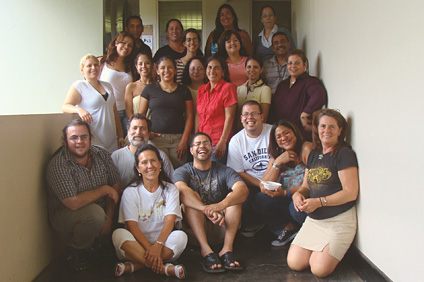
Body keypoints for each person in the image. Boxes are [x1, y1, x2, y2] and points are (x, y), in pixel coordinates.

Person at [287, 109, 359, 278]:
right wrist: (297, 195)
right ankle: (324, 253)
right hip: (315, 221)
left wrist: (319, 202)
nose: (326, 131)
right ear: (317, 129)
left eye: (332, 127)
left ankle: (329, 252)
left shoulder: (344, 154)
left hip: (339, 221)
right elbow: (305, 186)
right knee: (295, 263)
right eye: (323, 126)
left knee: (319, 269)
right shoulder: (313, 154)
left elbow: (351, 193)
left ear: (340, 131)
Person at [45, 120, 120, 270]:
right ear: (65, 141)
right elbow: (72, 203)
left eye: (84, 137)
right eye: (73, 138)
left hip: (102, 211)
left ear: (90, 139)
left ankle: (98, 243)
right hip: (66, 215)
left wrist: (109, 218)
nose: (79, 141)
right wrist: (103, 190)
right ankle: (76, 250)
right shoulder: (59, 165)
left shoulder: (102, 154)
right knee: (95, 214)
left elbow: (115, 185)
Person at [174, 133, 249, 273]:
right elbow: (180, 190)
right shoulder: (183, 170)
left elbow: (243, 190)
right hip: (194, 229)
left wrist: (219, 206)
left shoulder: (224, 170)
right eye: (197, 144)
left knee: (234, 198)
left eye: (206, 143)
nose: (202, 146)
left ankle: (227, 250)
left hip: (221, 226)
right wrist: (205, 209)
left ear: (212, 148)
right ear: (191, 150)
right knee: (191, 198)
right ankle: (206, 251)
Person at [112, 144, 187, 279]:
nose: (150, 166)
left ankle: (137, 265)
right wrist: (150, 249)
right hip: (136, 244)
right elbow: (131, 226)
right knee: (118, 234)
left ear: (160, 164)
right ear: (138, 168)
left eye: (153, 161)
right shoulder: (130, 192)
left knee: (181, 236)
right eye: (144, 162)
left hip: (163, 243)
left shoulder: (171, 189)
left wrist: (158, 246)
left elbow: (170, 221)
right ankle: (163, 268)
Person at [257, 119, 312, 246]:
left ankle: (306, 234)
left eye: (286, 133)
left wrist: (286, 193)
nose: (283, 138)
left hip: (305, 197)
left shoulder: (306, 148)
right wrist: (277, 163)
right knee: (260, 199)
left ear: (295, 133)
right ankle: (288, 228)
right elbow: (263, 185)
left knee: (295, 208)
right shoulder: (277, 155)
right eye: (278, 137)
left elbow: (311, 184)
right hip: (285, 197)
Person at [227, 102, 272, 238]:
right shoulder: (236, 140)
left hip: (275, 180)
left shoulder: (272, 131)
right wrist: (260, 183)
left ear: (262, 116)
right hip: (252, 183)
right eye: (246, 114)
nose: (250, 117)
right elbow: (238, 171)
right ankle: (252, 224)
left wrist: (267, 183)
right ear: (241, 119)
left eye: (254, 113)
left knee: (263, 200)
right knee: (241, 195)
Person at [139, 56, 193, 168]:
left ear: (175, 70)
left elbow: (189, 116)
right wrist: (147, 133)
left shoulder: (184, 90)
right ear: (157, 71)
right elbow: (140, 116)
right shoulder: (149, 89)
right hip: (156, 139)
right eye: (162, 68)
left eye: (170, 67)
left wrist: (184, 140)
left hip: (178, 140)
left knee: (178, 174)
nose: (166, 71)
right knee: (158, 172)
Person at [62, 54, 124, 153]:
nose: (93, 68)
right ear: (82, 70)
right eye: (89, 65)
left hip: (112, 138)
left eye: (96, 65)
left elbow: (115, 112)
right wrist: (79, 110)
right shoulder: (80, 86)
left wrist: (120, 136)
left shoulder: (107, 86)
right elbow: (65, 106)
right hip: (94, 138)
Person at [270, 49, 327, 141]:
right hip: (282, 136)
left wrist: (305, 113)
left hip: (301, 135)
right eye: (290, 63)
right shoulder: (282, 85)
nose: (293, 66)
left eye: (297, 63)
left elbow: (319, 95)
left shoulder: (310, 81)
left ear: (305, 65)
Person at [111, 114, 174, 189]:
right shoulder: (116, 157)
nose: (138, 132)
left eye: (143, 128)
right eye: (134, 128)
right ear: (128, 131)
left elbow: (172, 184)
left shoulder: (161, 156)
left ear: (149, 132)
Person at [196, 55, 237, 164]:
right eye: (209, 67)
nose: (212, 71)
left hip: (217, 142)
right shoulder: (201, 89)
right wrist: (195, 138)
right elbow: (198, 115)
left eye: (216, 68)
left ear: (223, 72)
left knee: (215, 176)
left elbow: (230, 117)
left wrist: (222, 141)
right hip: (202, 142)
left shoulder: (228, 88)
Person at [100, 31, 136, 137]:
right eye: (123, 43)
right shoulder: (103, 62)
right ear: (116, 43)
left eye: (130, 45)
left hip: (126, 111)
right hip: (108, 111)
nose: (126, 47)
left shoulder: (131, 66)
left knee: (125, 142)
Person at [235, 56, 271, 131]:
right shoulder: (239, 89)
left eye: (255, 67)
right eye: (249, 67)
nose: (252, 70)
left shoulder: (265, 89)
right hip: (239, 130)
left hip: (256, 130)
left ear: (261, 70)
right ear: (245, 69)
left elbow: (263, 117)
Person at [124, 52, 154, 119]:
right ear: (136, 67)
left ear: (152, 65)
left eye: (147, 63)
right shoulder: (131, 87)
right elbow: (129, 111)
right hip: (137, 126)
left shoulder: (158, 86)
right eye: (140, 64)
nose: (144, 66)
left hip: (155, 126)